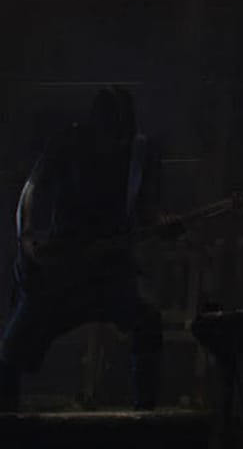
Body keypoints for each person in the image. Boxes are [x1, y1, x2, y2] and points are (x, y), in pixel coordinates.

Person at [0, 87, 169, 411]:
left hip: (110, 271)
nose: (112, 144)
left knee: (147, 320)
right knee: (12, 351)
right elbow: (32, 190)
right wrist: (29, 239)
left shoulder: (140, 153)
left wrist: (163, 224)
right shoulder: (68, 143)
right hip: (64, 269)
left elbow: (147, 208)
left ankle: (146, 419)